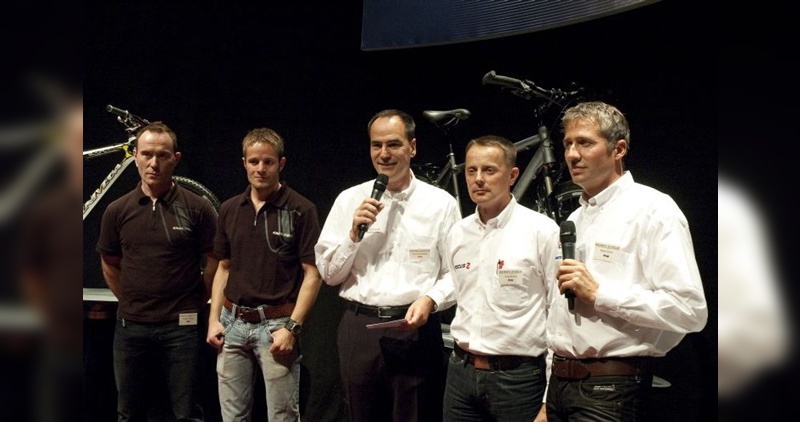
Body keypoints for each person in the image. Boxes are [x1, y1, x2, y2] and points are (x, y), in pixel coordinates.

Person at [545, 101, 708, 421]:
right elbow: (560, 319)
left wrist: (601, 294)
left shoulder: (653, 210)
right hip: (559, 388)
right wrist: (546, 395)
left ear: (618, 149)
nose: (572, 154)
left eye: (585, 142)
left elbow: (690, 310)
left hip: (611, 388)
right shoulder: (573, 219)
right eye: (567, 143)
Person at [314, 109, 461, 422]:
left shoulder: (440, 203)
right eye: (375, 145)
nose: (383, 154)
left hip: (414, 330)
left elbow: (455, 273)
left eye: (393, 144)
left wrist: (431, 300)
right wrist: (353, 236)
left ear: (413, 147)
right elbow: (329, 275)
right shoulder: (349, 199)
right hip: (360, 328)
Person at [96, 121, 219, 422]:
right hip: (131, 328)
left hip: (183, 328)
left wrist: (196, 299)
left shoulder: (197, 208)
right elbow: (110, 262)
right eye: (147, 154)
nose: (154, 163)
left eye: (162, 155)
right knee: (129, 412)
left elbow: (215, 262)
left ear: (175, 159)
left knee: (187, 412)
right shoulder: (117, 210)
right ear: (135, 156)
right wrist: (130, 298)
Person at [205, 127, 322, 422]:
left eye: (268, 162)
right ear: (244, 163)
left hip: (276, 325)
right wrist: (213, 320)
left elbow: (313, 274)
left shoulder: (301, 209)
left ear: (280, 164)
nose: (260, 168)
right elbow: (223, 268)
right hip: (232, 324)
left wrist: (293, 328)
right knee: (232, 416)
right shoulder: (230, 209)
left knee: (282, 416)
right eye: (254, 161)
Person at [441, 135, 558, 422]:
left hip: (517, 380)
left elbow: (559, 314)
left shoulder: (541, 231)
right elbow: (458, 287)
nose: (478, 179)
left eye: (489, 170)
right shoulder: (457, 232)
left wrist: (549, 398)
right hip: (461, 374)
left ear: (512, 175)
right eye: (471, 170)